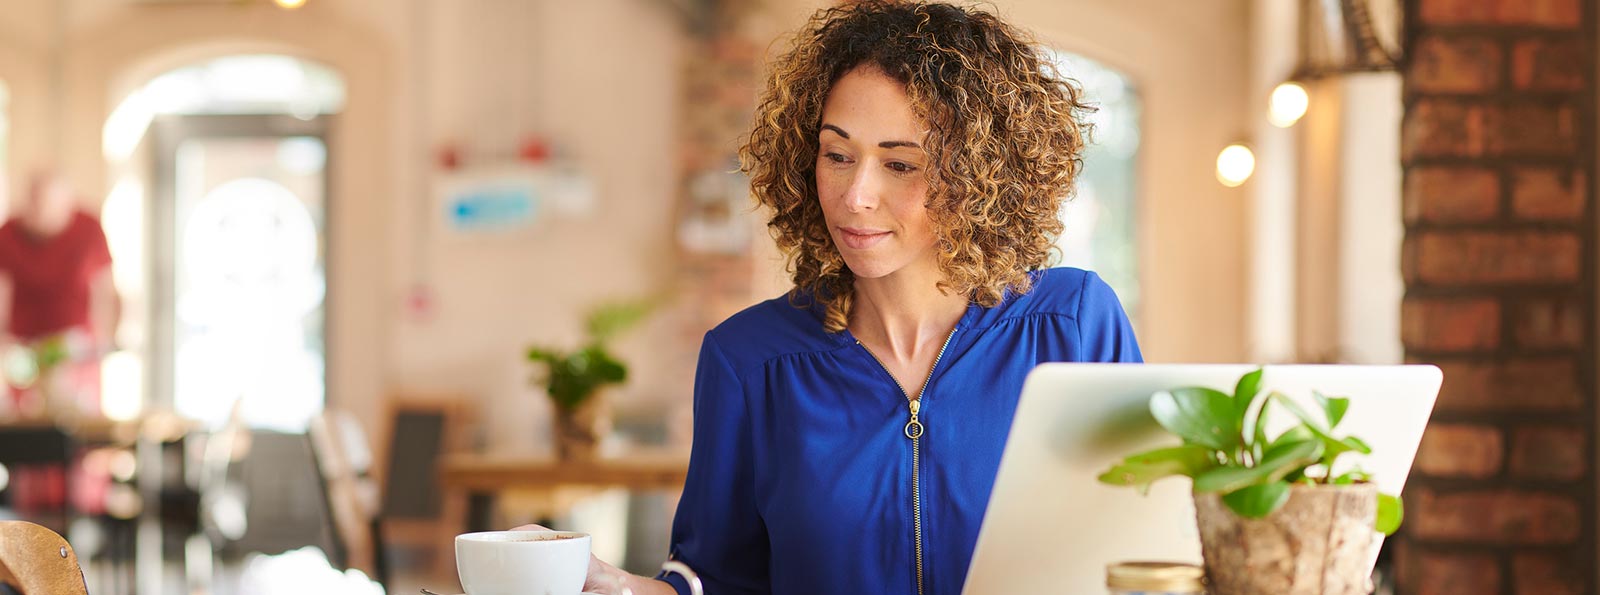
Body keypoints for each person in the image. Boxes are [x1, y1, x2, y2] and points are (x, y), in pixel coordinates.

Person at [520, 2, 1140, 593]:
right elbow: (718, 579)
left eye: (900, 165)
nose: (855, 194)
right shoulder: (748, 360)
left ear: (981, 174)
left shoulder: (1073, 324)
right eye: (837, 154)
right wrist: (620, 586)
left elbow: (1143, 552)